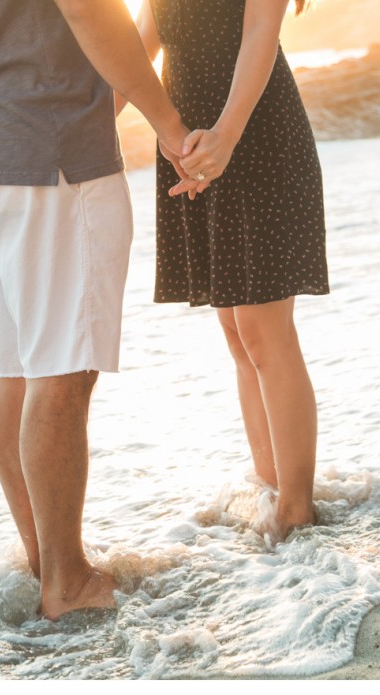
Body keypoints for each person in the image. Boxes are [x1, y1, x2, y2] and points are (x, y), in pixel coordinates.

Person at [0, 0, 190, 620]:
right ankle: (68, 583)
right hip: (48, 148)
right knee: (60, 371)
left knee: (15, 367)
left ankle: (47, 564)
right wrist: (167, 122)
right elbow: (89, 8)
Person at [132, 0, 329, 537]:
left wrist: (227, 134)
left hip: (254, 134)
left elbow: (263, 27)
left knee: (265, 332)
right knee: (237, 334)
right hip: (191, 144)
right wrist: (83, 130)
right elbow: (140, 43)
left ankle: (297, 511)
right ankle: (270, 489)